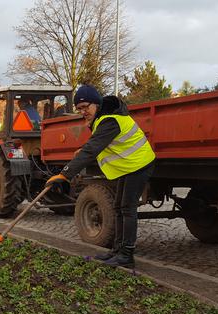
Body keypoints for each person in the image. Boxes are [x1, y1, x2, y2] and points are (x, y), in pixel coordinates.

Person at [46, 85, 156, 268]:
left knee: (127, 208)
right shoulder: (103, 119)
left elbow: (92, 149)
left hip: (139, 165)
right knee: (119, 206)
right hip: (129, 166)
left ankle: (127, 255)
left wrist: (64, 174)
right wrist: (84, 150)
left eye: (85, 107)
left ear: (96, 104)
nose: (83, 112)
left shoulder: (110, 120)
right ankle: (117, 250)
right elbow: (98, 144)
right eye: (79, 109)